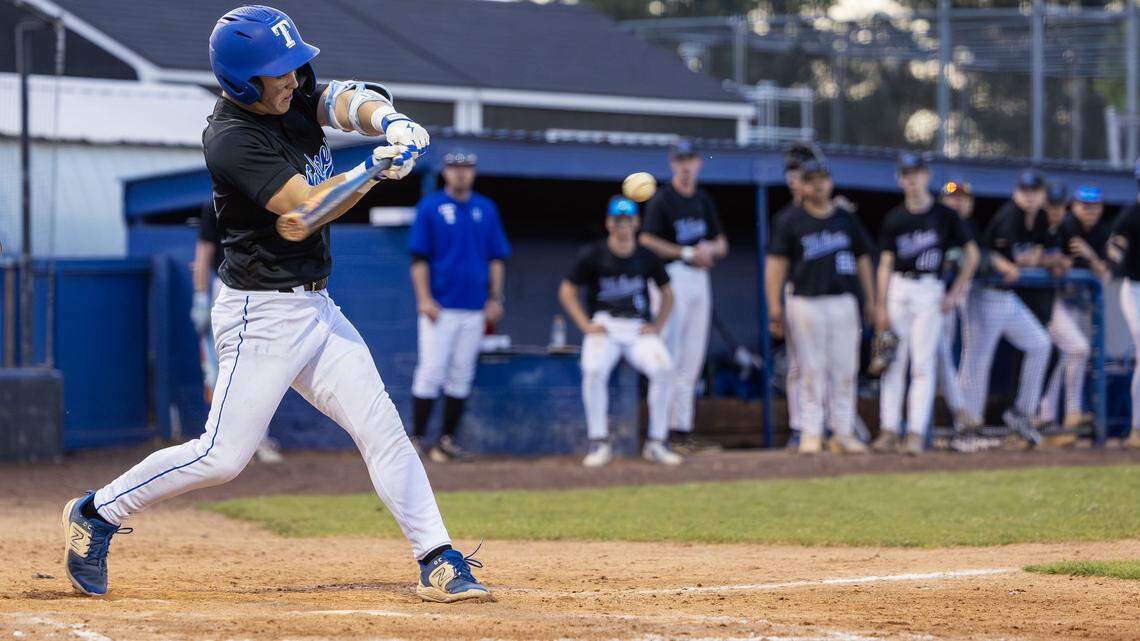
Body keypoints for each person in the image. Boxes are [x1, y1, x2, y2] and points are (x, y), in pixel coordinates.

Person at [61, 6, 490, 603]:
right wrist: (372, 170)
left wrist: (389, 121)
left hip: (317, 308)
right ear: (243, 83)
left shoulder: (288, 86)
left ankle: (437, 557)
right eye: (278, 73)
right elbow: (304, 211)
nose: (292, 79)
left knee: (383, 429)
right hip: (259, 314)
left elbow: (341, 99)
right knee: (221, 457)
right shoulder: (231, 138)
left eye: (292, 68)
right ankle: (96, 512)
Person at [559, 196, 681, 467]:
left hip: (637, 327)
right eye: (618, 221)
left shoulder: (646, 256)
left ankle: (656, 442)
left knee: (664, 368)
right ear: (609, 223)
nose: (623, 227)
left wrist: (657, 325)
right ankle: (599, 442)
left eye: (627, 221)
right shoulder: (594, 254)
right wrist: (585, 324)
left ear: (636, 223)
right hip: (605, 325)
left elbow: (668, 294)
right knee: (593, 370)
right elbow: (567, 290)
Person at [765, 160, 875, 455]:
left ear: (830, 182)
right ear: (802, 185)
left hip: (843, 300)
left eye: (822, 179)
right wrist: (774, 306)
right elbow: (776, 264)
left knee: (845, 368)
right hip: (805, 301)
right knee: (811, 369)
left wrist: (871, 300)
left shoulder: (845, 218)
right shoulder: (790, 220)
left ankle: (843, 431)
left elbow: (863, 258)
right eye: (811, 180)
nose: (818, 185)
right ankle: (811, 432)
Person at [872, 154, 979, 455]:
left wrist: (955, 293)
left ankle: (916, 433)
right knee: (893, 360)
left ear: (927, 176)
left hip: (930, 288)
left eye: (916, 173)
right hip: (899, 287)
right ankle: (889, 429)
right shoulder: (894, 218)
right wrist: (880, 305)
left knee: (922, 363)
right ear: (899, 180)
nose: (912, 179)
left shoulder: (945, 215)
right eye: (906, 174)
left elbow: (972, 254)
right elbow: (885, 263)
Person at [408, 149, 510, 463]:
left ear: (474, 172)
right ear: (446, 172)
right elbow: (418, 258)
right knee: (431, 371)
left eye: (467, 167)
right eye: (455, 167)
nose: (461, 172)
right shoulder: (431, 207)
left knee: (462, 373)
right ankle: (417, 440)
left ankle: (446, 442)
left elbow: (496, 258)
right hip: (440, 307)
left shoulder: (486, 208)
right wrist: (424, 299)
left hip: (475, 308)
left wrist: (495, 298)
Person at [640, 139, 728, 453]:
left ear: (698, 163)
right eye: (680, 161)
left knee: (692, 358)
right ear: (672, 164)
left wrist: (709, 250)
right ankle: (659, 434)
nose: (685, 166)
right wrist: (687, 252)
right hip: (672, 277)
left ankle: (681, 431)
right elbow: (647, 240)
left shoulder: (703, 199)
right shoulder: (663, 199)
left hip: (699, 278)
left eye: (689, 160)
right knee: (668, 356)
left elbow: (722, 243)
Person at [957, 169, 1052, 446]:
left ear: (1042, 195)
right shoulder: (1008, 215)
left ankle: (1022, 412)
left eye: (1034, 192)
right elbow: (1001, 255)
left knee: (1040, 344)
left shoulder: (1041, 217)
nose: (1029, 197)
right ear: (1016, 193)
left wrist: (1038, 259)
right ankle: (967, 426)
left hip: (1006, 297)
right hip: (984, 294)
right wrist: (1016, 262)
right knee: (977, 361)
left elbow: (1035, 254)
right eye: (1025, 191)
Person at [191, 202, 283, 464]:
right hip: (226, 288)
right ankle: (223, 443)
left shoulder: (269, 197)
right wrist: (200, 297)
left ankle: (257, 441)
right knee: (220, 371)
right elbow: (203, 253)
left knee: (261, 368)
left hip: (263, 290)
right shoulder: (216, 201)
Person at [1037, 185, 1108, 436]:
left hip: (1076, 303)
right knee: (1074, 350)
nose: (1090, 211)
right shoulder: (1065, 226)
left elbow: (1106, 274)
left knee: (1066, 356)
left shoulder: (1100, 232)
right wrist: (1058, 262)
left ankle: (1052, 419)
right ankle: (1067, 413)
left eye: (1094, 206)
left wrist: (1089, 256)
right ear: (1074, 207)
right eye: (1085, 206)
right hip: (1049, 301)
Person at [935, 179, 982, 448]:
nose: (957, 201)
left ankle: (953, 426)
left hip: (952, 304)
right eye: (952, 197)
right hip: (926, 300)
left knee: (947, 362)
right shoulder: (934, 225)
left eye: (963, 198)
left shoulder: (971, 230)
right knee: (929, 363)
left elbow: (980, 259)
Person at [1108, 164, 1140, 449]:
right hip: (1135, 289)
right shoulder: (1132, 213)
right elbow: (1115, 243)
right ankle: (1137, 430)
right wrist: (1117, 257)